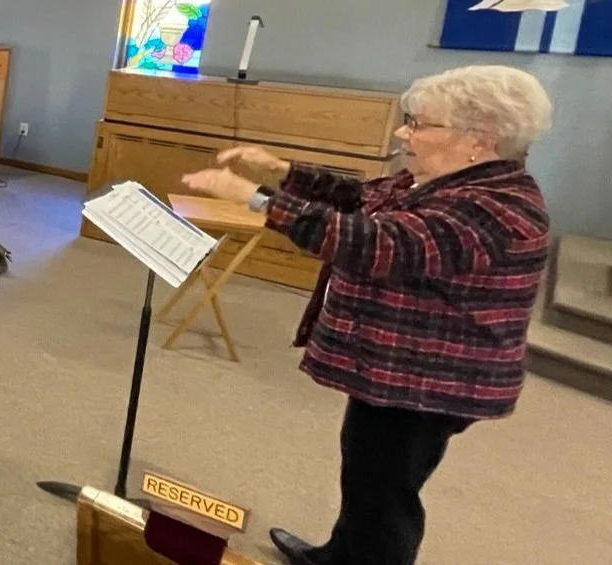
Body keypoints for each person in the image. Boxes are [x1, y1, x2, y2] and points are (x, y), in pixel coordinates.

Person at [180, 65, 553, 565]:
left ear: (478, 139)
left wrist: (254, 199)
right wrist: (281, 172)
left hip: (429, 381)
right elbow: (364, 197)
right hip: (400, 371)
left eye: (420, 124)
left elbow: (377, 243)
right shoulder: (450, 179)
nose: (404, 133)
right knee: (366, 472)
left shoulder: (495, 205)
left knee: (384, 495)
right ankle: (339, 556)